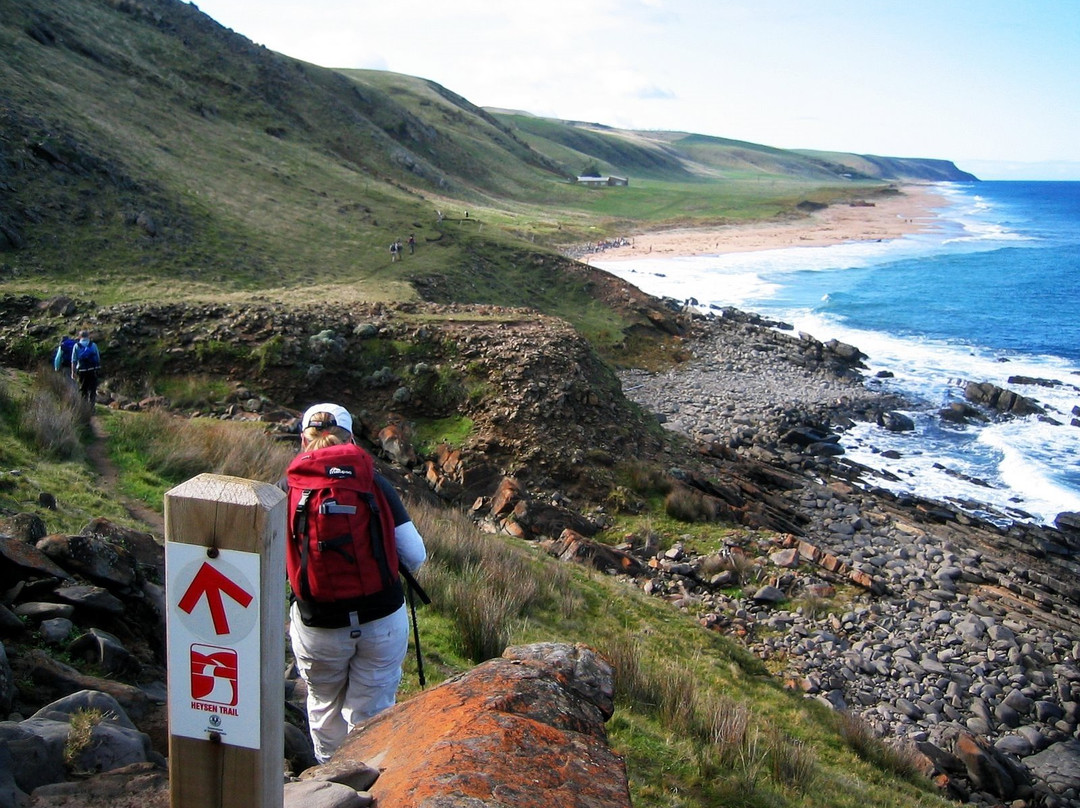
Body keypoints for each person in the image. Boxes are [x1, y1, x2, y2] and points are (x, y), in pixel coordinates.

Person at [283, 403, 426, 763]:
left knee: (323, 707)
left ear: (303, 438)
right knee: (373, 711)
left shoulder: (286, 487)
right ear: (351, 439)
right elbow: (415, 555)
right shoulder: (371, 480)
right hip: (381, 618)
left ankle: (329, 783)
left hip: (319, 622)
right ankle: (371, 781)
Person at [70, 330, 101, 406]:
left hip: (81, 370)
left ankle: (84, 406)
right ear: (88, 336)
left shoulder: (77, 346)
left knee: (83, 389)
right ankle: (92, 406)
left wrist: (73, 372)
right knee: (92, 388)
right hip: (92, 370)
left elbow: (73, 360)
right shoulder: (93, 345)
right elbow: (98, 358)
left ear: (80, 337)